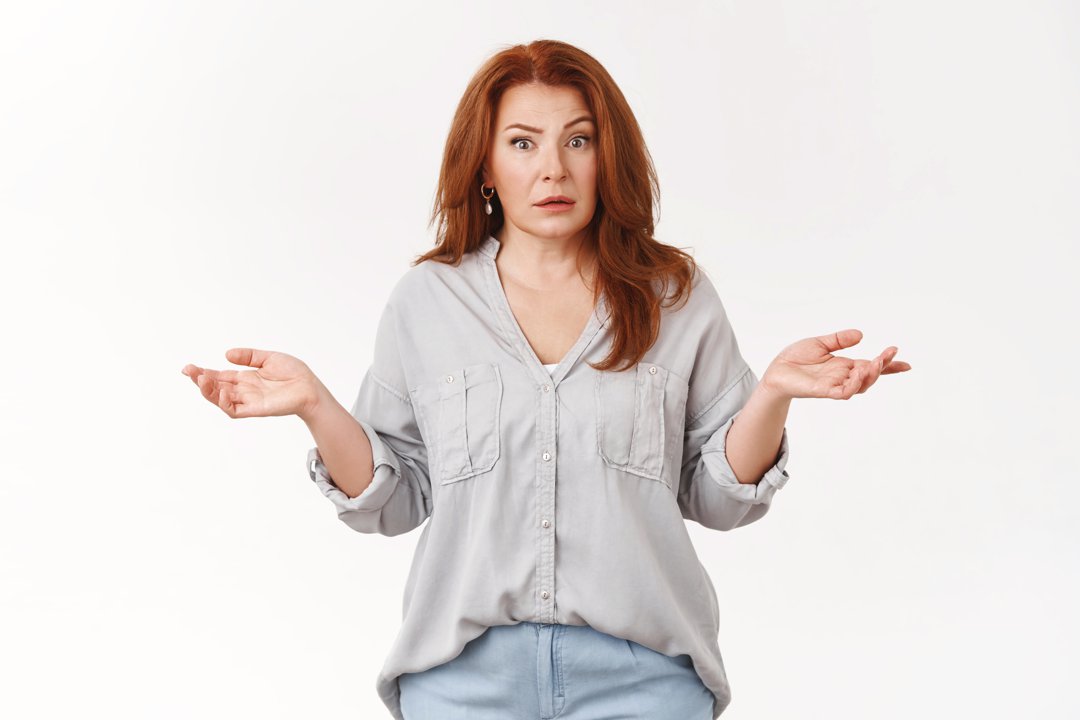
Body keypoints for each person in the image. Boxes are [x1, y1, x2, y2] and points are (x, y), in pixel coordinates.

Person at [182, 39, 910, 720]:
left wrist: (773, 394)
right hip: (463, 682)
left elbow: (717, 499)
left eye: (578, 140)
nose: (553, 169)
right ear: (485, 166)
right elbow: (395, 501)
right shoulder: (427, 302)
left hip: (645, 683)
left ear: (606, 156)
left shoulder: (674, 297)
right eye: (523, 143)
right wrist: (315, 405)